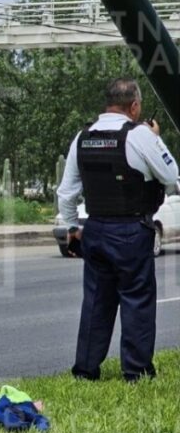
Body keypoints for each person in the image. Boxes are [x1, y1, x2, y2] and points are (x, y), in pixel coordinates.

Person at [57, 78, 178, 382]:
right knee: (136, 299)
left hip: (94, 228)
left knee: (96, 301)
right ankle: (136, 371)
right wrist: (155, 137)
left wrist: (73, 227)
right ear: (134, 106)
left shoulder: (82, 137)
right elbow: (171, 174)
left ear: (108, 102)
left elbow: (66, 193)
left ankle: (85, 370)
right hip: (131, 230)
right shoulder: (140, 135)